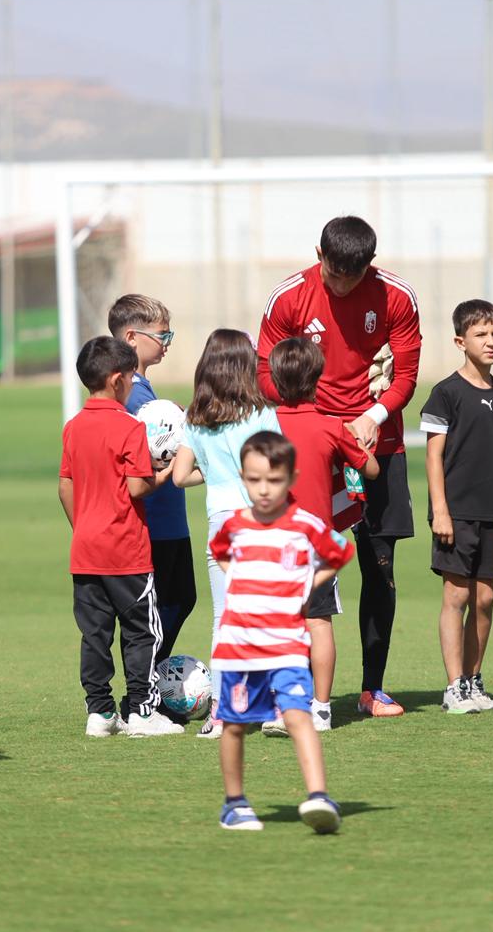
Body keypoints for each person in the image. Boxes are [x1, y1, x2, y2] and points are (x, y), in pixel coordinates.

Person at [256, 215, 422, 719]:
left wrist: (373, 414)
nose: (342, 284)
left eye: (353, 276)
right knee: (299, 572)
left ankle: (372, 688)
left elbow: (408, 375)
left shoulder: (397, 297)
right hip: (311, 449)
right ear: (318, 255)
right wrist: (314, 421)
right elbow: (264, 374)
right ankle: (301, 692)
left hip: (378, 446)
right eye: (333, 273)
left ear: (369, 265)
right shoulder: (288, 297)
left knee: (379, 566)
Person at [208, 432, 354, 834]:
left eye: (273, 480)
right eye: (254, 480)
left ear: (291, 479)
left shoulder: (305, 525)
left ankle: (319, 796)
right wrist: (240, 583)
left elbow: (341, 551)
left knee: (297, 717)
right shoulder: (235, 525)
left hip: (288, 647)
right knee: (234, 725)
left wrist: (307, 585)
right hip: (239, 647)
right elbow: (221, 553)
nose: (263, 489)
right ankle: (234, 803)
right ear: (243, 477)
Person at [59, 336, 182, 738]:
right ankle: (143, 712)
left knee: (94, 633)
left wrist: (84, 526)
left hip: (85, 549)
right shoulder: (130, 427)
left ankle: (99, 712)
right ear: (116, 381)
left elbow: (65, 486)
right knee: (142, 631)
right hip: (126, 550)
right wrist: (163, 474)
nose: (133, 383)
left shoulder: (73, 427)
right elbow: (137, 488)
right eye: (130, 377)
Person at [170, 329, 281, 739]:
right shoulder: (261, 413)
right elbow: (276, 469)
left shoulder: (195, 419)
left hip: (219, 523)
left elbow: (180, 476)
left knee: (224, 620)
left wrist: (214, 474)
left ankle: (221, 711)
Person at [419, 300, 493, 715]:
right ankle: (453, 687)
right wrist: (440, 510)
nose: (491, 342)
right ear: (460, 341)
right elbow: (433, 457)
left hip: (490, 513)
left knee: (485, 600)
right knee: (457, 596)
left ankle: (473, 679)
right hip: (456, 511)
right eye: (481, 334)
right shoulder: (446, 394)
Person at [267, 335, 380, 732]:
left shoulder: (265, 425)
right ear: (318, 379)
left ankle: (286, 705)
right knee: (319, 623)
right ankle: (321, 708)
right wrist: (365, 443)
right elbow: (370, 470)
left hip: (272, 541)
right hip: (317, 543)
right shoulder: (332, 427)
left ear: (275, 381)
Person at [110, 294, 196, 663]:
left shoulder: (143, 389)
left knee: (180, 598)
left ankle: (150, 686)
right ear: (131, 337)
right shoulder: (130, 392)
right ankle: (142, 692)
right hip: (154, 522)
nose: (167, 343)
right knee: (163, 606)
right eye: (162, 335)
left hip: (169, 518)